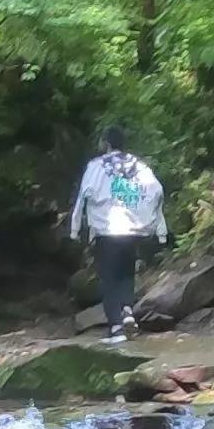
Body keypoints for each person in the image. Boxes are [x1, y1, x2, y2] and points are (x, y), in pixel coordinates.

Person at [67, 128, 167, 338]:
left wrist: (75, 230)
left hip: (106, 229)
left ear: (106, 143)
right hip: (132, 229)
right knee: (126, 273)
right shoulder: (139, 166)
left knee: (109, 277)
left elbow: (83, 195)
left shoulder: (96, 167)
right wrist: (158, 228)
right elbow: (156, 191)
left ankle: (116, 326)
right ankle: (128, 310)